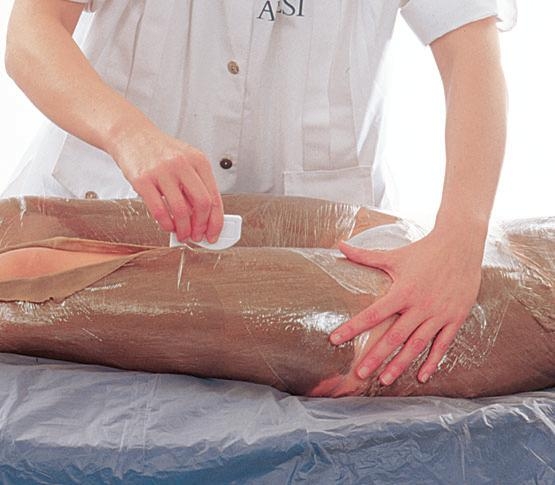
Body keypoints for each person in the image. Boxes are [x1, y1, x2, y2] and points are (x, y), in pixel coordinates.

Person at [3, 0, 518, 387]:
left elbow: (469, 52)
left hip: (318, 242)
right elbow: (31, 31)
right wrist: (127, 134)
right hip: (104, 200)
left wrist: (461, 238)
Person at [0, 194, 553, 398]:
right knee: (25, 222)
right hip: (451, 246)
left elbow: (469, 37)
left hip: (494, 291)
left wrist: (462, 242)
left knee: (40, 264)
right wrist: (461, 236)